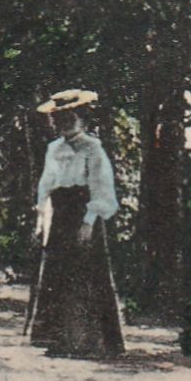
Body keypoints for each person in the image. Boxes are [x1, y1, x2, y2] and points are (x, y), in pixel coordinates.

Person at [26, 89, 125, 358]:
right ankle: (58, 339)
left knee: (85, 274)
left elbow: (101, 187)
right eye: (60, 118)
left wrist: (90, 221)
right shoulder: (53, 149)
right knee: (57, 273)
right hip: (59, 217)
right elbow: (46, 187)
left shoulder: (93, 148)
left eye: (70, 117)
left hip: (82, 215)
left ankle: (89, 342)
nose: (65, 122)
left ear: (82, 118)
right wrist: (41, 220)